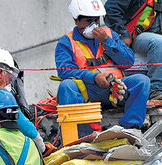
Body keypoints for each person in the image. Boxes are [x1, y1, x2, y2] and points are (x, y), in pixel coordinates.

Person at [56, 0, 150, 130]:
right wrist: (93, 77)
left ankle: (131, 128)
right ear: (76, 20)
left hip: (116, 90)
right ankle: (77, 133)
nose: (94, 25)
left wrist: (107, 41)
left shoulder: (109, 34)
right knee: (67, 85)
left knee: (142, 80)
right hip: (88, 92)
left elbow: (128, 61)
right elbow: (64, 71)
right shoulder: (66, 42)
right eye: (89, 21)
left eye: (97, 20)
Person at [104, 0, 162, 100]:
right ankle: (155, 90)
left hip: (156, 34)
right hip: (137, 36)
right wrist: (122, 34)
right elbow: (111, 9)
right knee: (157, 42)